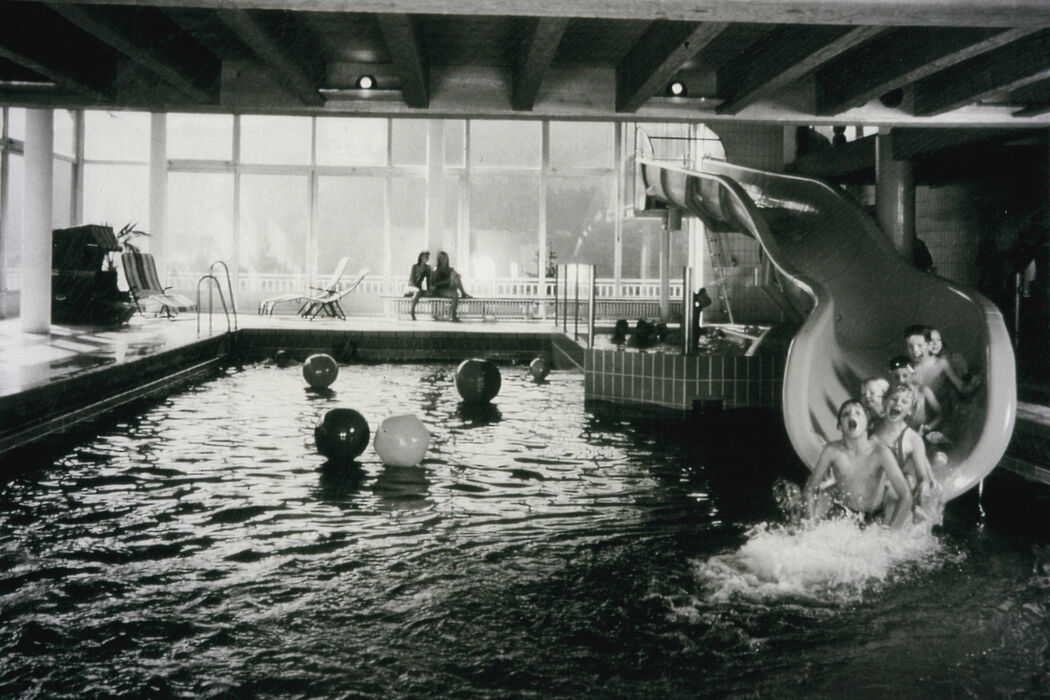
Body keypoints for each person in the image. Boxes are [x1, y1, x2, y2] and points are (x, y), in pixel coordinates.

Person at [802, 399, 913, 529]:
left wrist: (892, 534)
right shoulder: (832, 451)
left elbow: (905, 496)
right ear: (839, 426)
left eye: (858, 413)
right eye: (846, 414)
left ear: (868, 424)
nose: (851, 416)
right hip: (844, 515)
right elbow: (810, 489)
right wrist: (809, 524)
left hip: (875, 517)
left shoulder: (881, 452)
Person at [873, 384, 939, 519]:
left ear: (909, 411)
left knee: (900, 485)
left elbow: (922, 476)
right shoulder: (872, 426)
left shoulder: (913, 439)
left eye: (904, 402)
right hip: (867, 484)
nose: (898, 403)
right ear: (884, 402)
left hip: (890, 489)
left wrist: (924, 484)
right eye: (894, 399)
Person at [428, 251, 471, 322]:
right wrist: (446, 281)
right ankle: (453, 314)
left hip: (449, 287)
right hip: (440, 289)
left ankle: (463, 293)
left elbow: (454, 279)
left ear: (447, 259)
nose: (443, 260)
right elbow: (433, 284)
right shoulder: (436, 269)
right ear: (439, 260)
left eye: (445, 258)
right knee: (455, 294)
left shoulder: (450, 269)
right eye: (441, 259)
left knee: (456, 277)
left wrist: (457, 276)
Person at [408, 251, 432, 320]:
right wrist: (417, 288)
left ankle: (435, 314)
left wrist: (428, 289)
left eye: (428, 257)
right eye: (425, 257)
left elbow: (428, 280)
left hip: (419, 289)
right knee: (418, 291)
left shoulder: (427, 267)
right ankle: (412, 312)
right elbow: (412, 279)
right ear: (421, 257)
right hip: (411, 287)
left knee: (427, 292)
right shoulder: (414, 266)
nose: (427, 258)